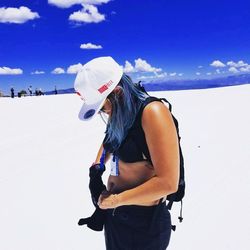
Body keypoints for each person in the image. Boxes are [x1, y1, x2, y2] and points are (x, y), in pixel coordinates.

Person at [75, 56, 179, 250]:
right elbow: (109, 140)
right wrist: (96, 169)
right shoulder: (121, 113)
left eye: (103, 108)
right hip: (116, 217)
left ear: (118, 93)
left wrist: (117, 200)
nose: (103, 113)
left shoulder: (153, 112)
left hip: (144, 225)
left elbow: (168, 182)